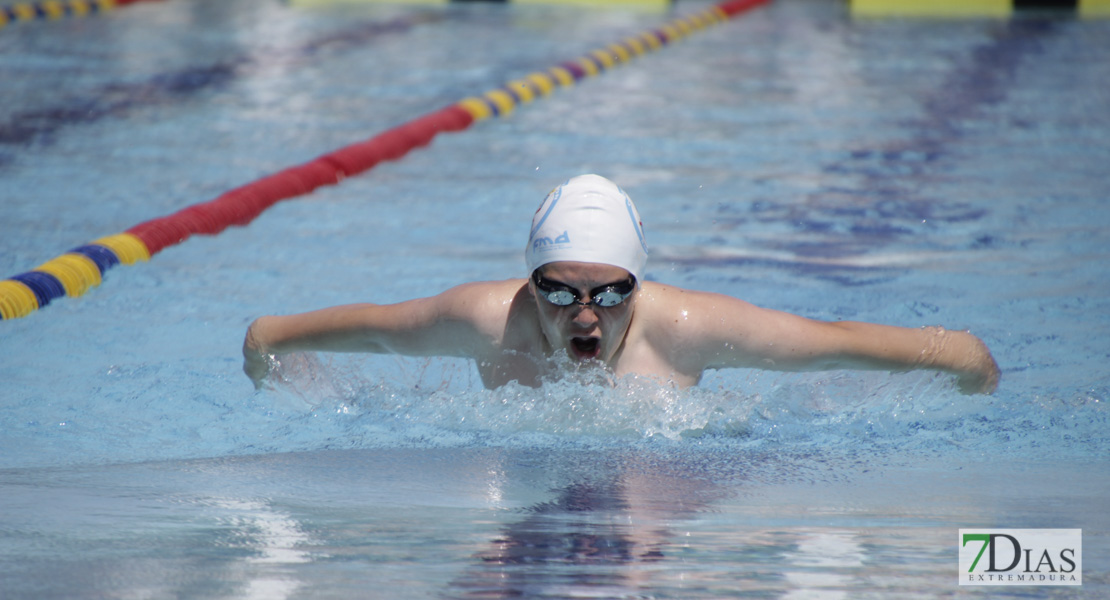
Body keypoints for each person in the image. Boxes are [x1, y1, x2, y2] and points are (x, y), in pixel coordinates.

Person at [243, 174, 1000, 394]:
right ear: (528, 282)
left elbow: (833, 347)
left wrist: (962, 360)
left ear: (640, 285)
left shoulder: (686, 331)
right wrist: (266, 348)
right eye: (559, 289)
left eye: (610, 292)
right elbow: (372, 327)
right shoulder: (486, 319)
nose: (585, 314)